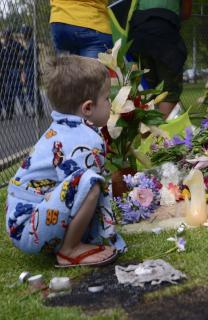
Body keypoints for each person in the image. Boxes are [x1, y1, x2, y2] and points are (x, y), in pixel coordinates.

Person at [6, 55, 126, 267]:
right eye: (107, 98)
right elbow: (83, 189)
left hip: (25, 222)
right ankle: (70, 250)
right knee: (91, 183)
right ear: (88, 108)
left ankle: (73, 241)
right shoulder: (85, 139)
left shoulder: (63, 127)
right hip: (28, 227)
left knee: (86, 183)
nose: (110, 104)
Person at [129, 0, 192, 118]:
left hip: (139, 37)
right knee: (168, 91)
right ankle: (162, 133)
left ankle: (146, 133)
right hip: (166, 35)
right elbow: (186, 12)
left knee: (145, 90)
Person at [20, 25, 45, 119]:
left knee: (32, 90)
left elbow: (26, 54)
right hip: (30, 68)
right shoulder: (29, 43)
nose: (22, 35)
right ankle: (38, 110)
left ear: (27, 33)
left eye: (23, 33)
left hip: (31, 69)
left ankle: (38, 110)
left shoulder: (31, 43)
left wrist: (21, 54)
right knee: (33, 90)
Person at [0, 29, 24, 120]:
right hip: (7, 70)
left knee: (9, 92)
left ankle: (10, 111)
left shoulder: (10, 44)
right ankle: (8, 112)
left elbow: (22, 52)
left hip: (8, 70)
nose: (5, 37)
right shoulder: (4, 45)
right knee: (7, 92)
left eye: (6, 35)